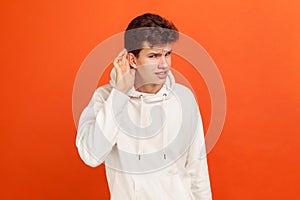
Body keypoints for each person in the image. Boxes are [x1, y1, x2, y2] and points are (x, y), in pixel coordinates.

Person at [76, 13, 212, 200]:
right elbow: (91, 155)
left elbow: (197, 169)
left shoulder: (184, 98)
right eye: (154, 55)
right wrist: (120, 94)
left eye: (167, 54)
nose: (164, 64)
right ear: (132, 60)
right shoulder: (106, 98)